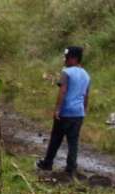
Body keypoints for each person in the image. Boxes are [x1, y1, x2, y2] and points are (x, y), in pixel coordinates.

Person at [36, 46, 91, 175]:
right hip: (78, 113)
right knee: (73, 141)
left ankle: (48, 163)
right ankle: (71, 167)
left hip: (66, 111)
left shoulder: (66, 72)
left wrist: (57, 109)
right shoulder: (86, 75)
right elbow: (86, 94)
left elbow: (63, 91)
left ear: (74, 58)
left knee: (56, 138)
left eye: (67, 57)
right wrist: (84, 109)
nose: (65, 60)